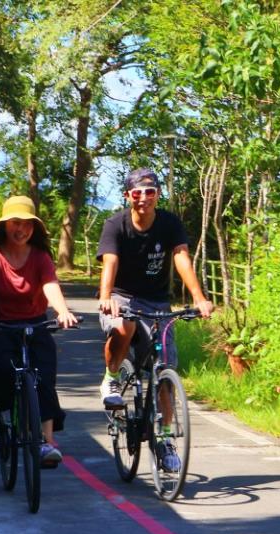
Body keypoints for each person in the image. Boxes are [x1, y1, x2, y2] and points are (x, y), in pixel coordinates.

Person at [97, 168, 213, 473]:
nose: (144, 198)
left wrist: (199, 298)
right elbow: (110, 261)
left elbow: (181, 257)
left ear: (158, 195)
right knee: (125, 326)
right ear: (128, 196)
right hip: (121, 296)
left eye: (150, 192)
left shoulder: (169, 223)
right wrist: (106, 295)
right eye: (137, 193)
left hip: (157, 300)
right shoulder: (116, 225)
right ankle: (111, 379)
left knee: (165, 371)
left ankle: (164, 439)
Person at [0, 195, 78, 466]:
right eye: (16, 223)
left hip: (34, 322)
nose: (21, 229)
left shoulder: (40, 257)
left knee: (45, 378)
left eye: (27, 224)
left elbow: (50, 285)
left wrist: (62, 310)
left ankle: (47, 443)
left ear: (34, 229)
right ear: (5, 225)